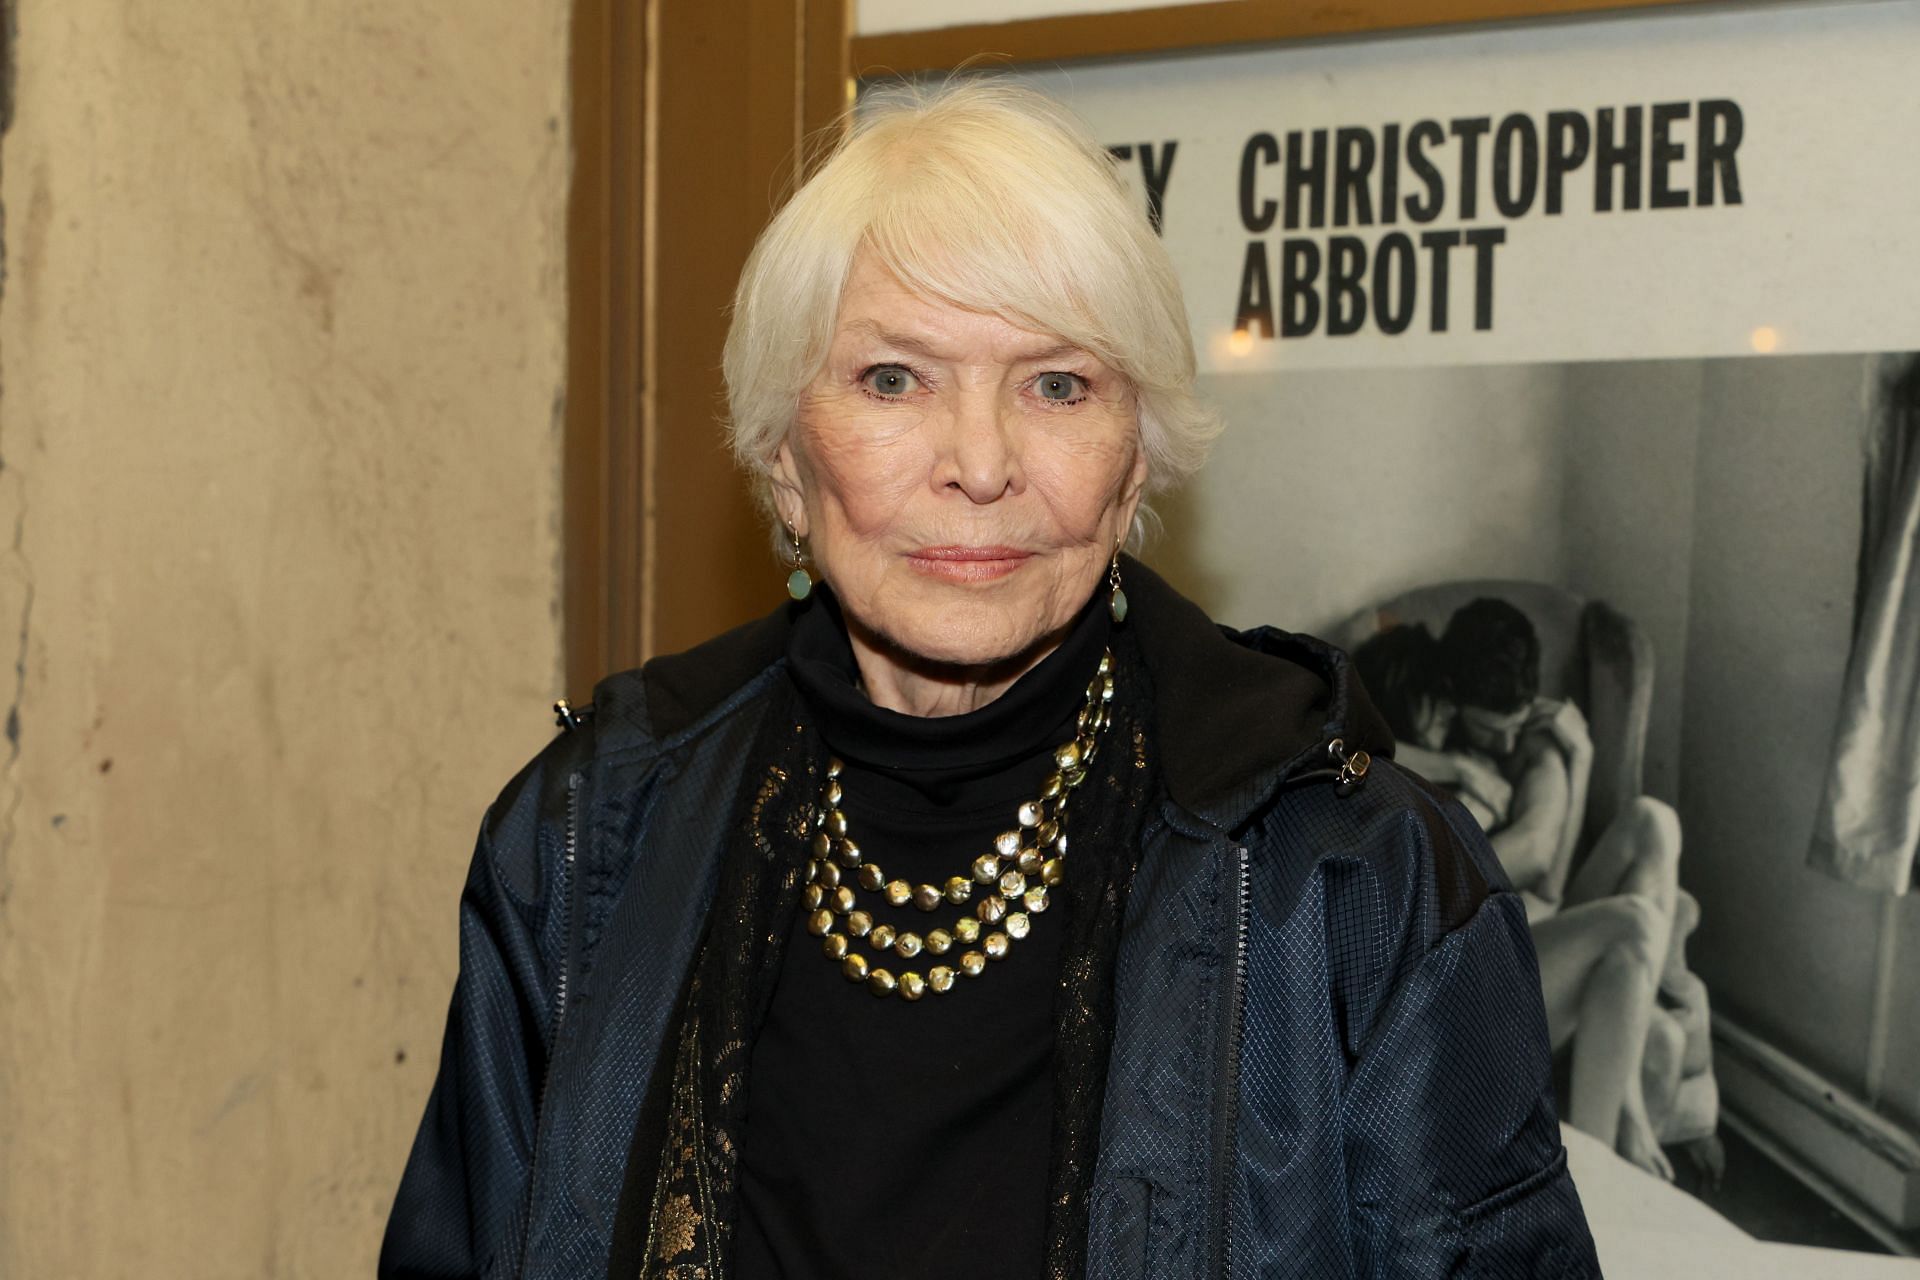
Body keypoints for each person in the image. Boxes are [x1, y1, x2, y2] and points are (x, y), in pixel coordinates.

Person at [379, 83, 1597, 1279]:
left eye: (1056, 383)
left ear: (1134, 470)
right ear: (782, 457)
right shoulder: (586, 834)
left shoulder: (1353, 879)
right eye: (893, 379)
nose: (979, 462)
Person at [1354, 599, 1688, 1181]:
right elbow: (1342, 737)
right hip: (1482, 969)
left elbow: (1551, 884)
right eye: (1491, 730)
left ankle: (1625, 1092)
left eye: (1514, 726)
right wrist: (1454, 764)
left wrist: (1580, 760)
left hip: (1536, 934)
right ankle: (1599, 1176)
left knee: (1655, 821)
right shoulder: (1404, 730)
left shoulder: (1522, 737)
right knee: (1634, 922)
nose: (1507, 747)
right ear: (1449, 697)